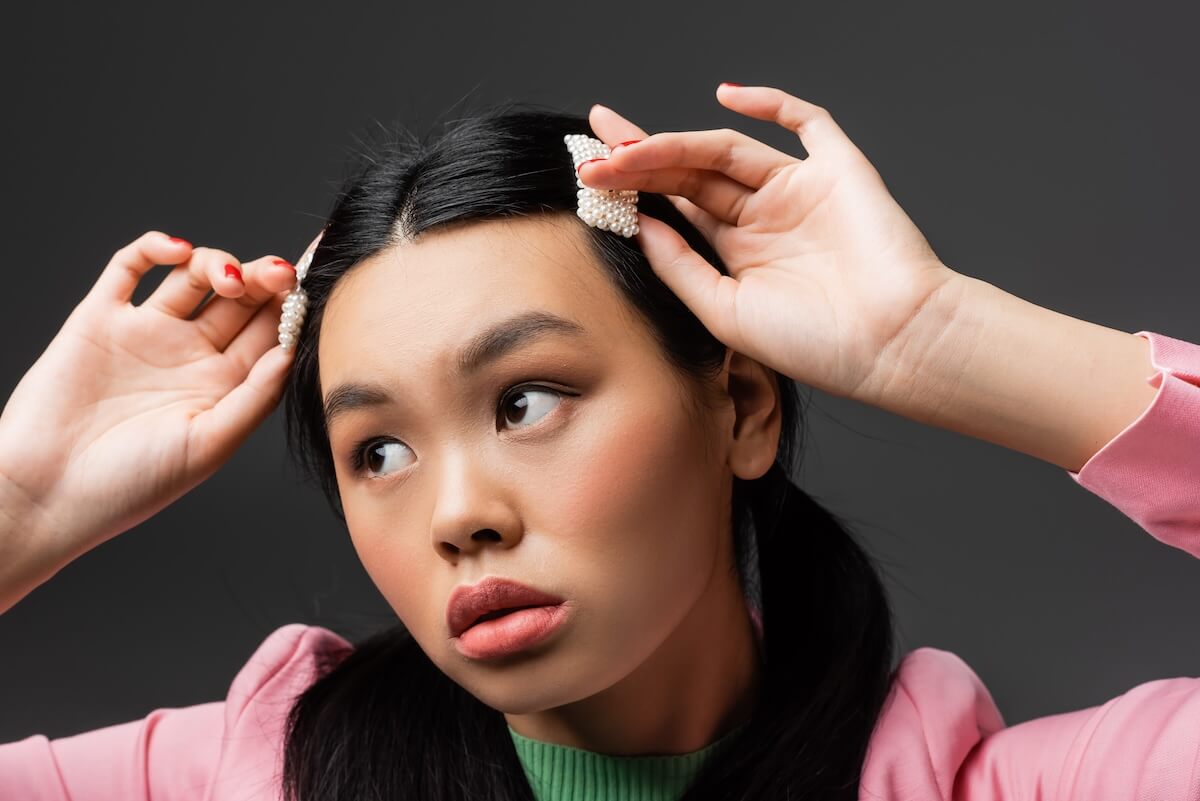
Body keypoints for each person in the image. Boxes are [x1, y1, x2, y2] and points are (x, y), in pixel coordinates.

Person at [0, 83, 1196, 801]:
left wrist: (936, 336)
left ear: (741, 409)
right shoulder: (237, 781)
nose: (457, 511)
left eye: (525, 402)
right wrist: (24, 503)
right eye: (379, 451)